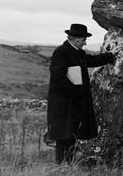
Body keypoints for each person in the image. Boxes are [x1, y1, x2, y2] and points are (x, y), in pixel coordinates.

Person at [47, 23, 115, 164]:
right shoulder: (61, 52)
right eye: (83, 40)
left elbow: (91, 61)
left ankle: (67, 163)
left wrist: (110, 56)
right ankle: (62, 164)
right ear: (74, 38)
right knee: (63, 135)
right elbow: (58, 76)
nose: (85, 43)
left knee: (71, 133)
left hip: (72, 101)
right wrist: (74, 92)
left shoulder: (78, 53)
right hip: (63, 102)